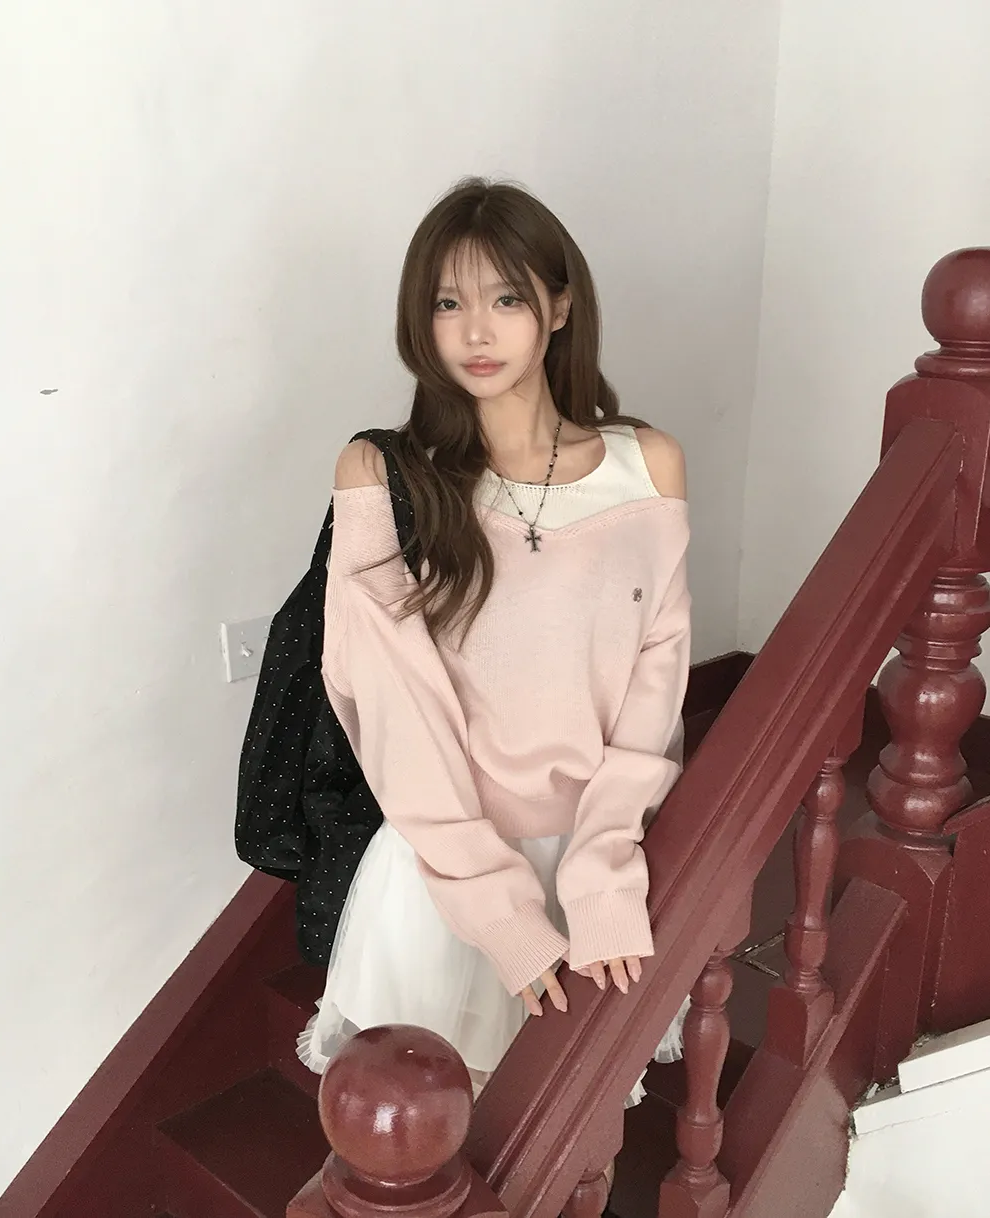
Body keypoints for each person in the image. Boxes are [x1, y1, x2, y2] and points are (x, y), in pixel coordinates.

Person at [298, 178, 691, 1103]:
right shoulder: (386, 475)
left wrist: (600, 877)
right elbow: (396, 714)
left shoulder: (648, 464)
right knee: (433, 1141)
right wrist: (500, 913)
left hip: (596, 854)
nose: (475, 331)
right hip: (445, 873)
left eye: (507, 298)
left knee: (578, 1141)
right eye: (448, 303)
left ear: (559, 307)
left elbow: (656, 681)